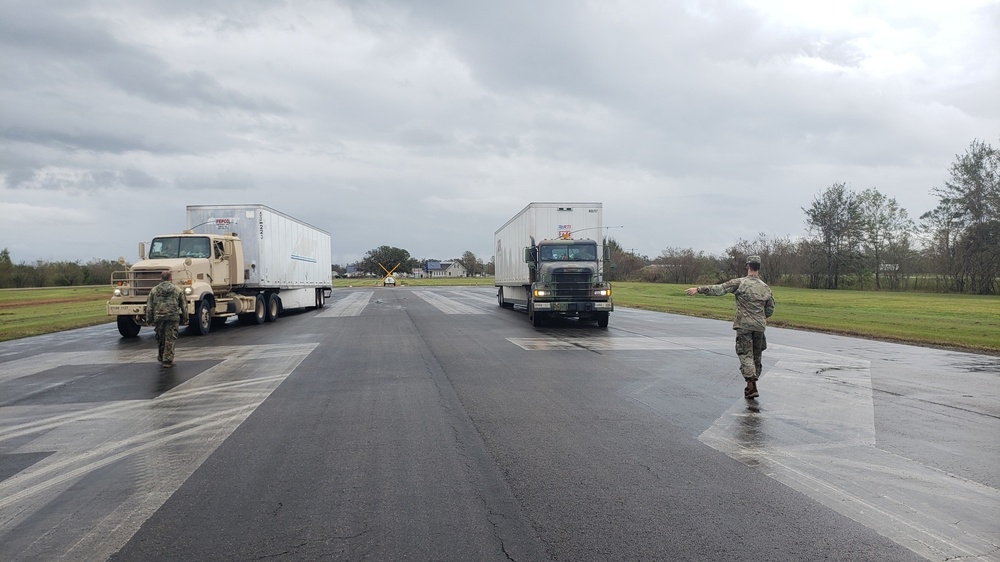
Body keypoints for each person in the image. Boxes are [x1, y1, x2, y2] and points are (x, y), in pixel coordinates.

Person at [685, 255, 775, 399]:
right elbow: (770, 310)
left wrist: (699, 289)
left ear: (748, 266)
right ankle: (752, 383)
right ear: (759, 267)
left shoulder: (740, 283)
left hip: (744, 326)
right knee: (756, 356)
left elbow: (720, 289)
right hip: (759, 327)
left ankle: (751, 382)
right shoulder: (765, 288)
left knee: (746, 354)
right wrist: (759, 317)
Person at [146, 271, 189, 368]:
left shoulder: (154, 290)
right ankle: (168, 360)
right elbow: (184, 305)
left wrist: (149, 318)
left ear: (161, 278)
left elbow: (149, 306)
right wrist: (186, 317)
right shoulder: (177, 290)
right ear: (171, 278)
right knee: (170, 338)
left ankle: (161, 357)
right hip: (172, 317)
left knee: (160, 338)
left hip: (159, 317)